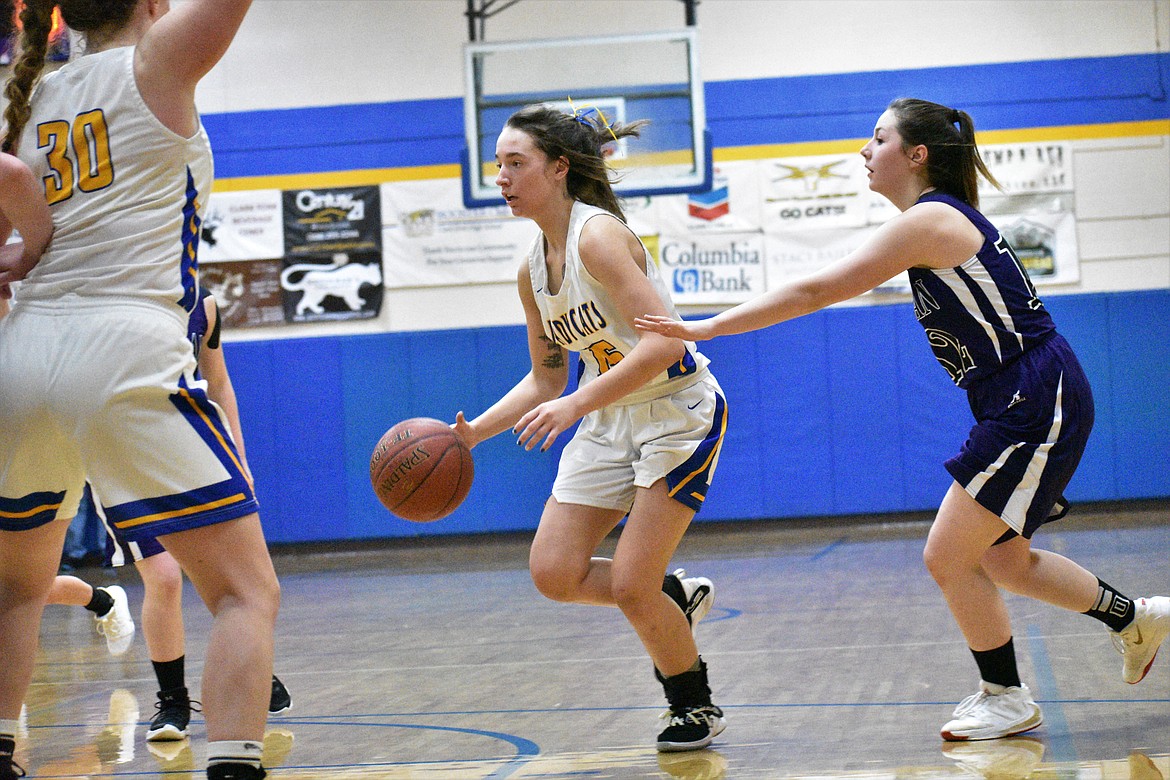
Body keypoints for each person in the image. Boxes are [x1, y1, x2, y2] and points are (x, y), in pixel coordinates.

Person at [635, 97, 1169, 742]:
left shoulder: (931, 219)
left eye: (879, 138)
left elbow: (814, 291)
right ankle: (1134, 620)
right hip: (1022, 394)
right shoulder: (934, 220)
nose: (865, 151)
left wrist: (709, 325)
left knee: (948, 556)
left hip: (1035, 397)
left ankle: (1005, 695)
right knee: (1002, 560)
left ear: (916, 155)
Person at [0, 3, 279, 780]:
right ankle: (233, 766)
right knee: (244, 594)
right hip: (124, 346)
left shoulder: (20, 96)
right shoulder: (155, 61)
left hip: (18, 354)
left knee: (15, 591)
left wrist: (23, 252)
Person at [452, 104, 729, 753]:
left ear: (558, 168)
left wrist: (576, 406)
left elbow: (662, 346)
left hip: (676, 412)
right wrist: (473, 436)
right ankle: (671, 595)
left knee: (630, 583)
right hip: (607, 416)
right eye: (498, 165)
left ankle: (693, 703)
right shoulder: (532, 269)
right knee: (554, 572)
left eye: (515, 163)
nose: (502, 176)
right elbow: (547, 380)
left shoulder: (598, 238)